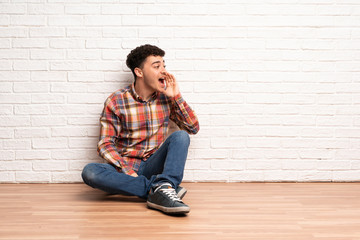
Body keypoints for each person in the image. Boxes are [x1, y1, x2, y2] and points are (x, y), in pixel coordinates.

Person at [81, 44, 200, 215]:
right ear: (139, 72)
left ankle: (161, 185)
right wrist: (126, 170)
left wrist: (176, 97)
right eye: (157, 66)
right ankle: (161, 188)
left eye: (164, 65)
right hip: (122, 168)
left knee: (181, 136)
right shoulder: (116, 101)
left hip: (152, 164)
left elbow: (193, 128)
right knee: (90, 172)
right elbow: (105, 143)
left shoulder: (166, 98)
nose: (164, 71)